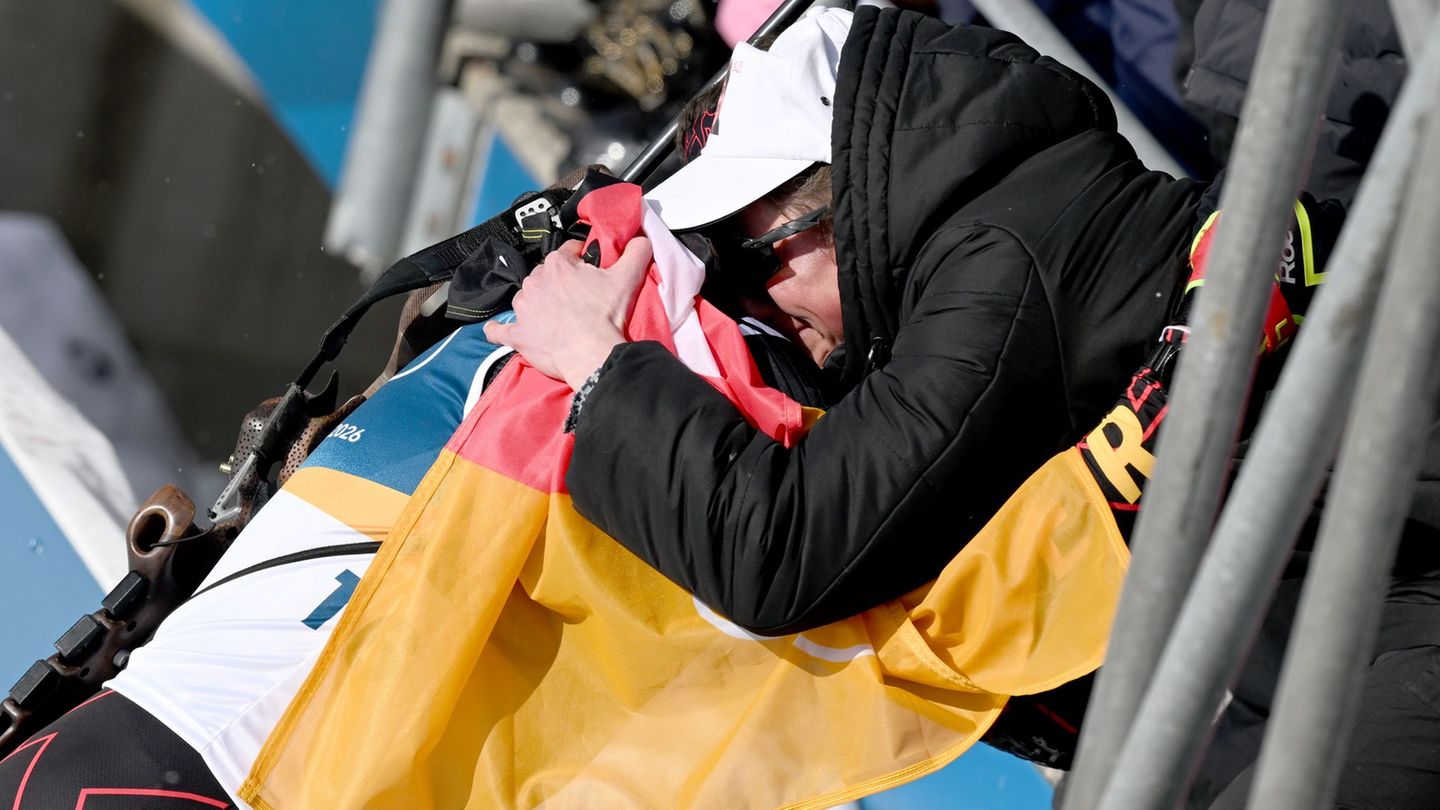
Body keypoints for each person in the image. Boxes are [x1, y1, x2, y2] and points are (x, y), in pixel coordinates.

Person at [491, 6, 1440, 807]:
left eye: (748, 264)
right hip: (1330, 595)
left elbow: (781, 553)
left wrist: (596, 363)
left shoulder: (998, 262)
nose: (760, 308)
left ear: (836, 207)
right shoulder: (991, 233)